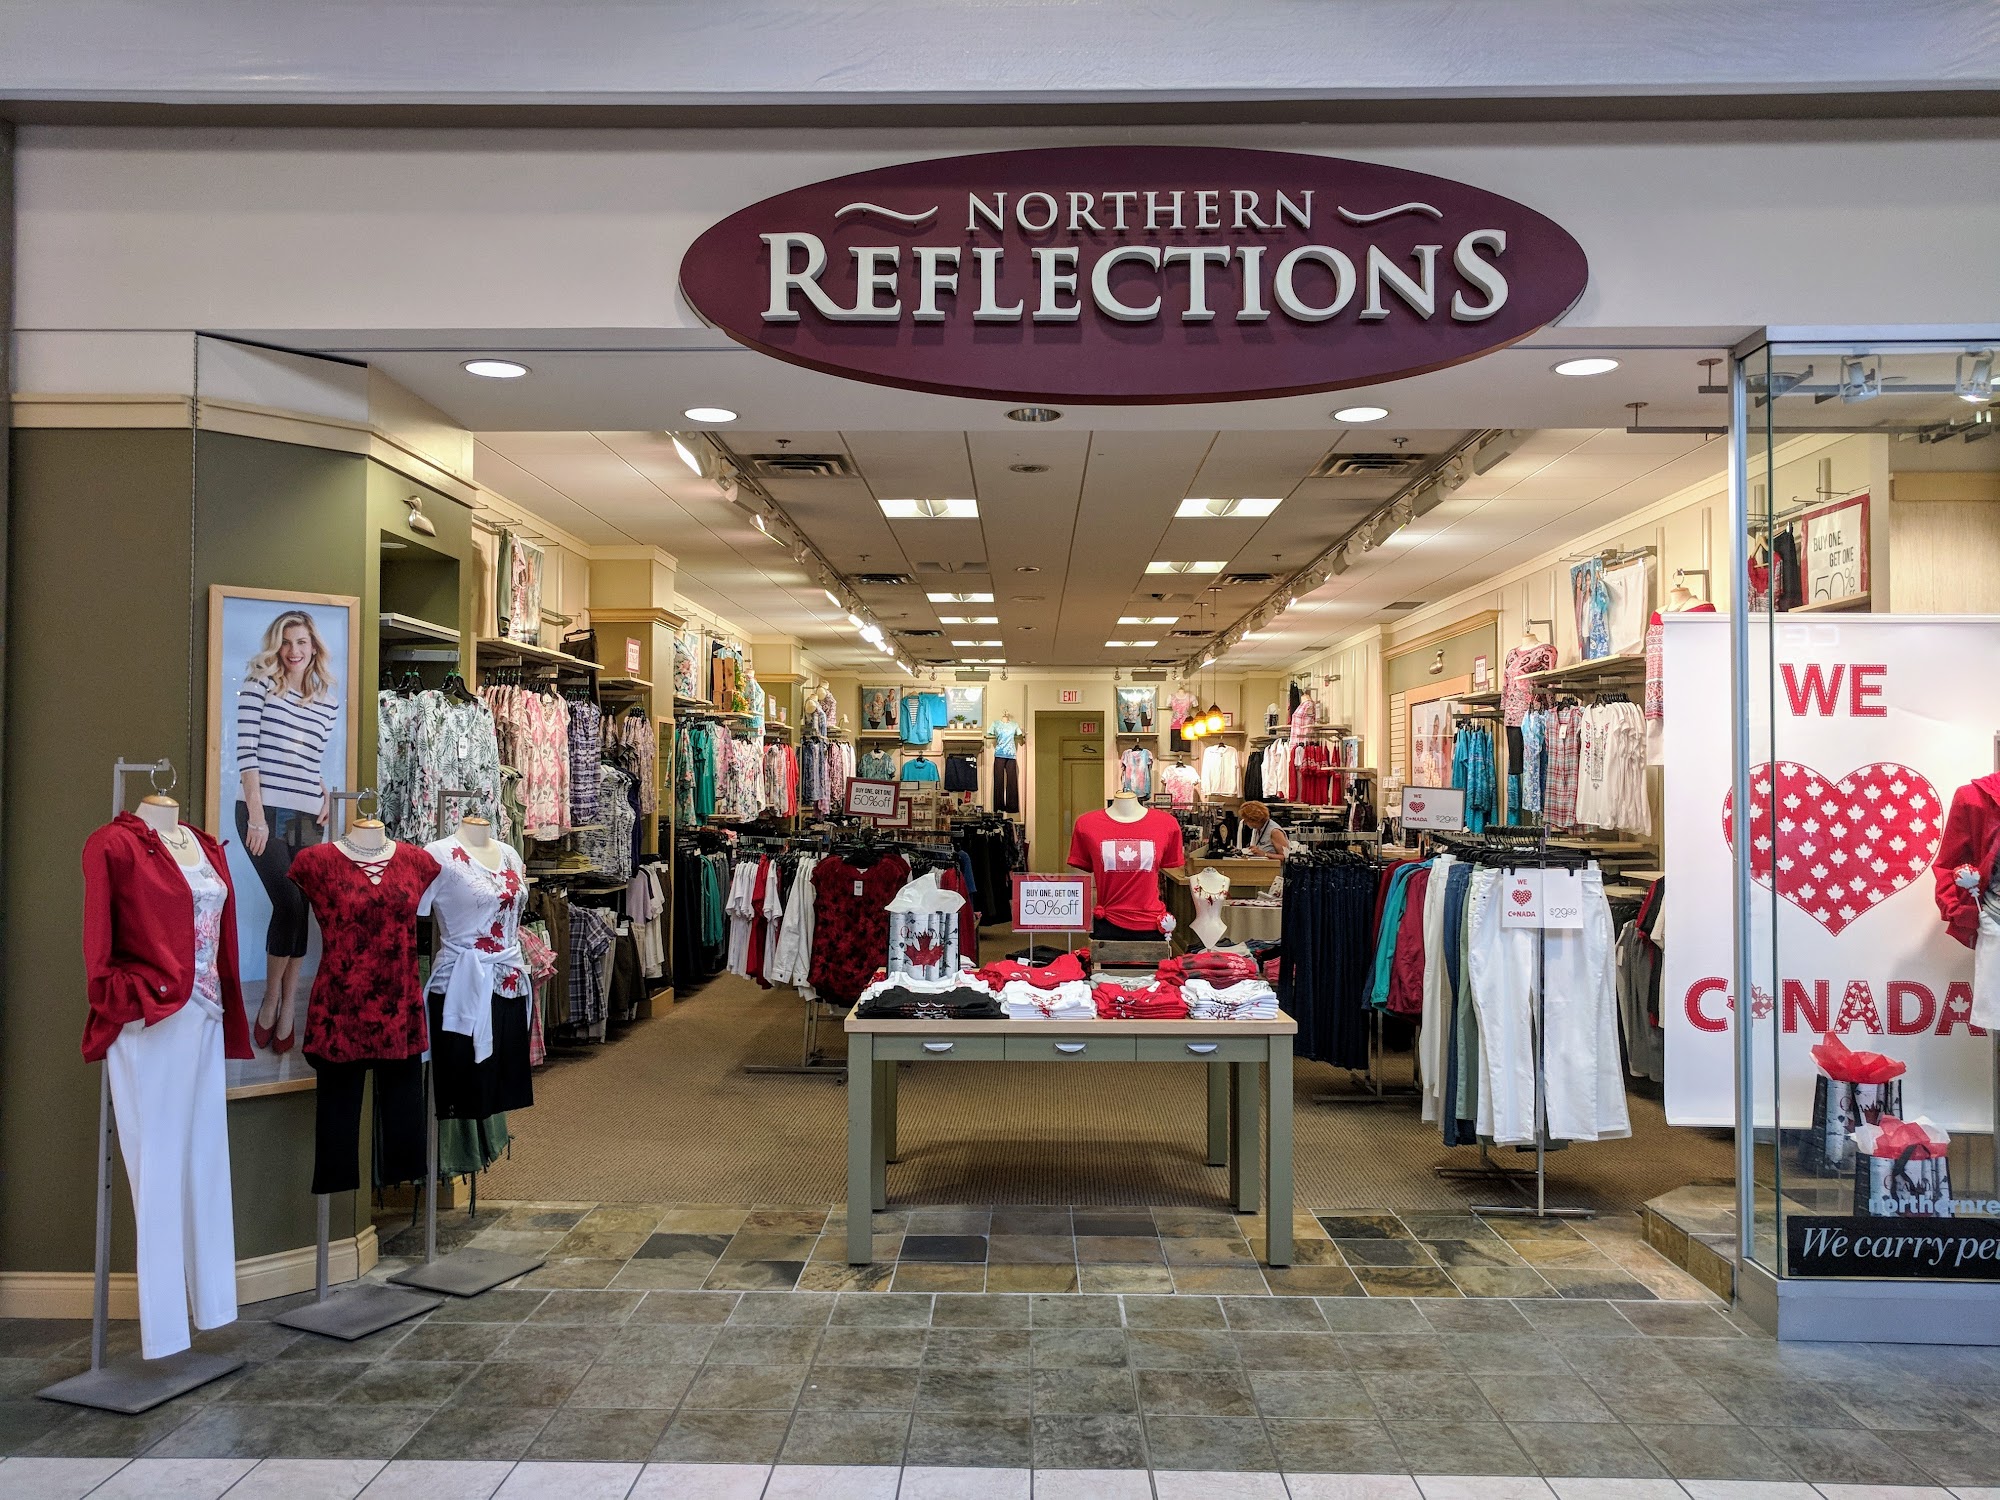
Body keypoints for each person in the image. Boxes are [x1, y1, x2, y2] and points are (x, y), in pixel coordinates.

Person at [234, 609, 340, 1052]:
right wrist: (257, 816)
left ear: (314, 648)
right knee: (288, 902)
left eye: (301, 642)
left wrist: (324, 793)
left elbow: (308, 760)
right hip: (264, 811)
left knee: (302, 907)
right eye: (286, 641)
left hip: (308, 816)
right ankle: (272, 997)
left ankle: (287, 1004)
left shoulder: (328, 701)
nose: (294, 651)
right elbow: (247, 755)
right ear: (276, 646)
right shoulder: (257, 685)